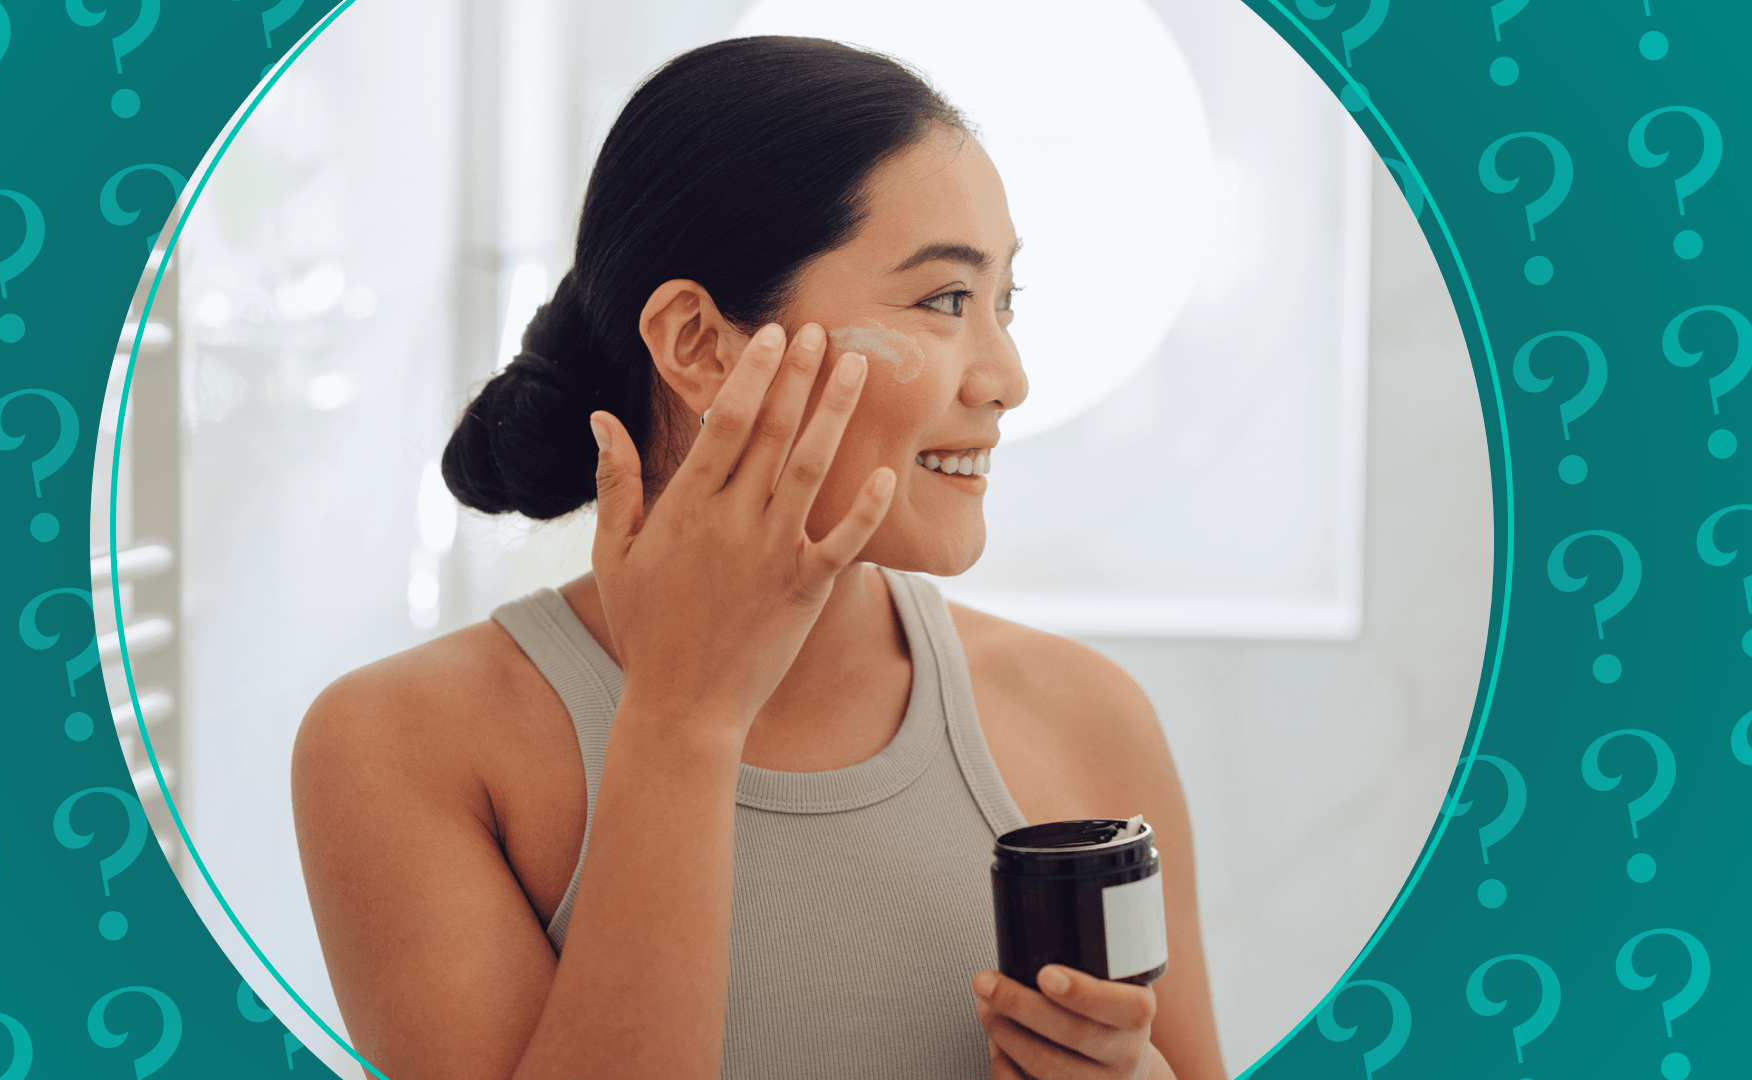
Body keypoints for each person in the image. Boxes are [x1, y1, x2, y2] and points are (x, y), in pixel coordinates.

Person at [292, 35, 1224, 1080]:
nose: (1008, 376)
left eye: (1004, 302)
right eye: (945, 301)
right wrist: (684, 717)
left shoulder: (1088, 719)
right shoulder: (403, 747)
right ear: (697, 342)